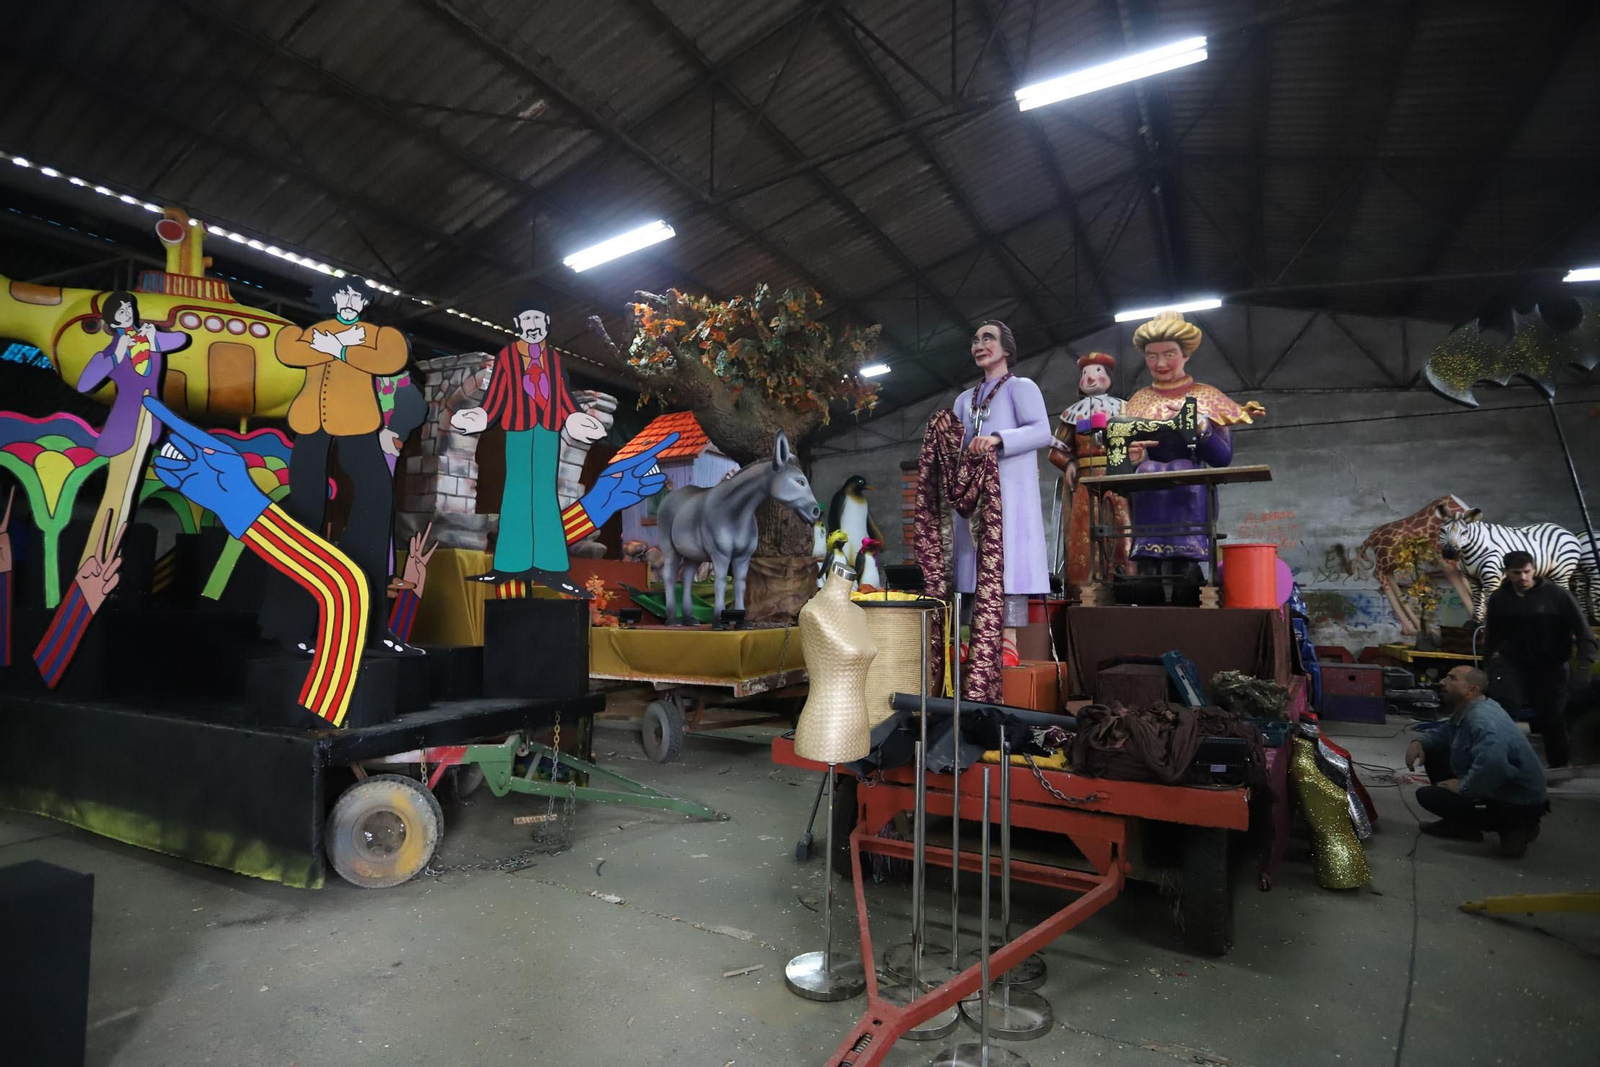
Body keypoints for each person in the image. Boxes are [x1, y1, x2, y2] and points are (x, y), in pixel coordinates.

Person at [260, 279, 413, 656]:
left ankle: (373, 630)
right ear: (332, 299)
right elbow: (287, 348)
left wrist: (340, 350)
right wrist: (337, 343)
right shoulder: (315, 332)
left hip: (358, 428)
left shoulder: (378, 336)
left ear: (364, 302)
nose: (349, 302)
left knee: (376, 509)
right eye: (343, 295)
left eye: (356, 296)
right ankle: (292, 627)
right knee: (302, 519)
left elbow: (390, 357)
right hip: (312, 429)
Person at [450, 303, 605, 595]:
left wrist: (575, 417)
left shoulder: (553, 358)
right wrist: (482, 415)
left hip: (548, 430)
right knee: (517, 492)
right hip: (518, 428)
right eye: (527, 319)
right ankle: (508, 565)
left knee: (546, 495)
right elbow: (496, 393)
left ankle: (552, 567)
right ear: (518, 323)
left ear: (546, 322)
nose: (533, 324)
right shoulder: (508, 356)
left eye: (537, 318)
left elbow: (562, 394)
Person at [1121, 312, 1263, 605]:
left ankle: (1187, 562)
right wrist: (1133, 457)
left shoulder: (1206, 396)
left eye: (1169, 354)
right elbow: (1122, 457)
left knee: (1183, 470)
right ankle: (1147, 563)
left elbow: (1222, 458)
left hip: (1189, 488)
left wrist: (1202, 427)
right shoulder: (1137, 401)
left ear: (1185, 354)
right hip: (1148, 486)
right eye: (1152, 356)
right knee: (1147, 471)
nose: (1160, 363)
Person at [950, 320, 1051, 665]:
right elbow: (954, 443)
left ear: (1007, 348)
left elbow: (1042, 431)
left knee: (1008, 567)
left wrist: (998, 439)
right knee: (969, 567)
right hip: (973, 495)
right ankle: (968, 639)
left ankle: (1008, 642)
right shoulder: (964, 399)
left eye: (988, 338)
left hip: (1009, 496)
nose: (979, 345)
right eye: (975, 340)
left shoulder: (1020, 388)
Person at [76, 290, 189, 565]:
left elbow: (181, 339)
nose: (127, 314)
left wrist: (152, 337)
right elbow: (85, 383)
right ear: (112, 320)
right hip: (125, 424)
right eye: (121, 311)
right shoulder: (112, 350)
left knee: (127, 492)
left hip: (150, 419)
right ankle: (95, 558)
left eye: (128, 308)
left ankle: (107, 557)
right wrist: (117, 354)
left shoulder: (148, 339)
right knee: (118, 491)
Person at [1405, 665, 1549, 857]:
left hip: (1518, 802)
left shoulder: (1483, 719)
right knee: (1434, 751)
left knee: (1429, 796)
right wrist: (1419, 743)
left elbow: (1495, 763)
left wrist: (1464, 787)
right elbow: (1446, 732)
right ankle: (1461, 826)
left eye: (1452, 678)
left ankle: (1516, 827)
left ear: (1471, 690)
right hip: (1500, 787)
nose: (1442, 682)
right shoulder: (1471, 709)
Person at [1483, 549, 1597, 770]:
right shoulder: (1499, 599)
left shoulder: (1557, 595)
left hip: (1550, 665)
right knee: (1503, 710)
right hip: (1512, 663)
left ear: (1534, 570)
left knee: (1552, 718)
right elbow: (1492, 636)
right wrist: (1489, 665)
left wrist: (1584, 668)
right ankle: (1498, 764)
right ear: (1507, 573)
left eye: (1527, 572)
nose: (1523, 577)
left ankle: (1559, 768)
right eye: (1516, 573)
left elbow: (1584, 633)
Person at [1047, 351, 1130, 590]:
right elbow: (1056, 451)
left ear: (1109, 376)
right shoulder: (1071, 414)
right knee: (1083, 531)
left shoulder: (1124, 409)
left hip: (1116, 478)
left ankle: (1124, 585)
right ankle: (1082, 588)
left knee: (1119, 527)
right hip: (1083, 482)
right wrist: (1069, 463)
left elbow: (1138, 443)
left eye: (1097, 371)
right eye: (1085, 373)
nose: (1091, 378)